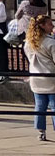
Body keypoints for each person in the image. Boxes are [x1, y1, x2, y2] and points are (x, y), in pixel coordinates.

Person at [24, 14, 55, 142]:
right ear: (42, 26)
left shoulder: (29, 43)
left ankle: (41, 131)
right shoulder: (50, 42)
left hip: (36, 76)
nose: (52, 25)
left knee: (39, 106)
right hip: (51, 76)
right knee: (54, 107)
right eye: (49, 23)